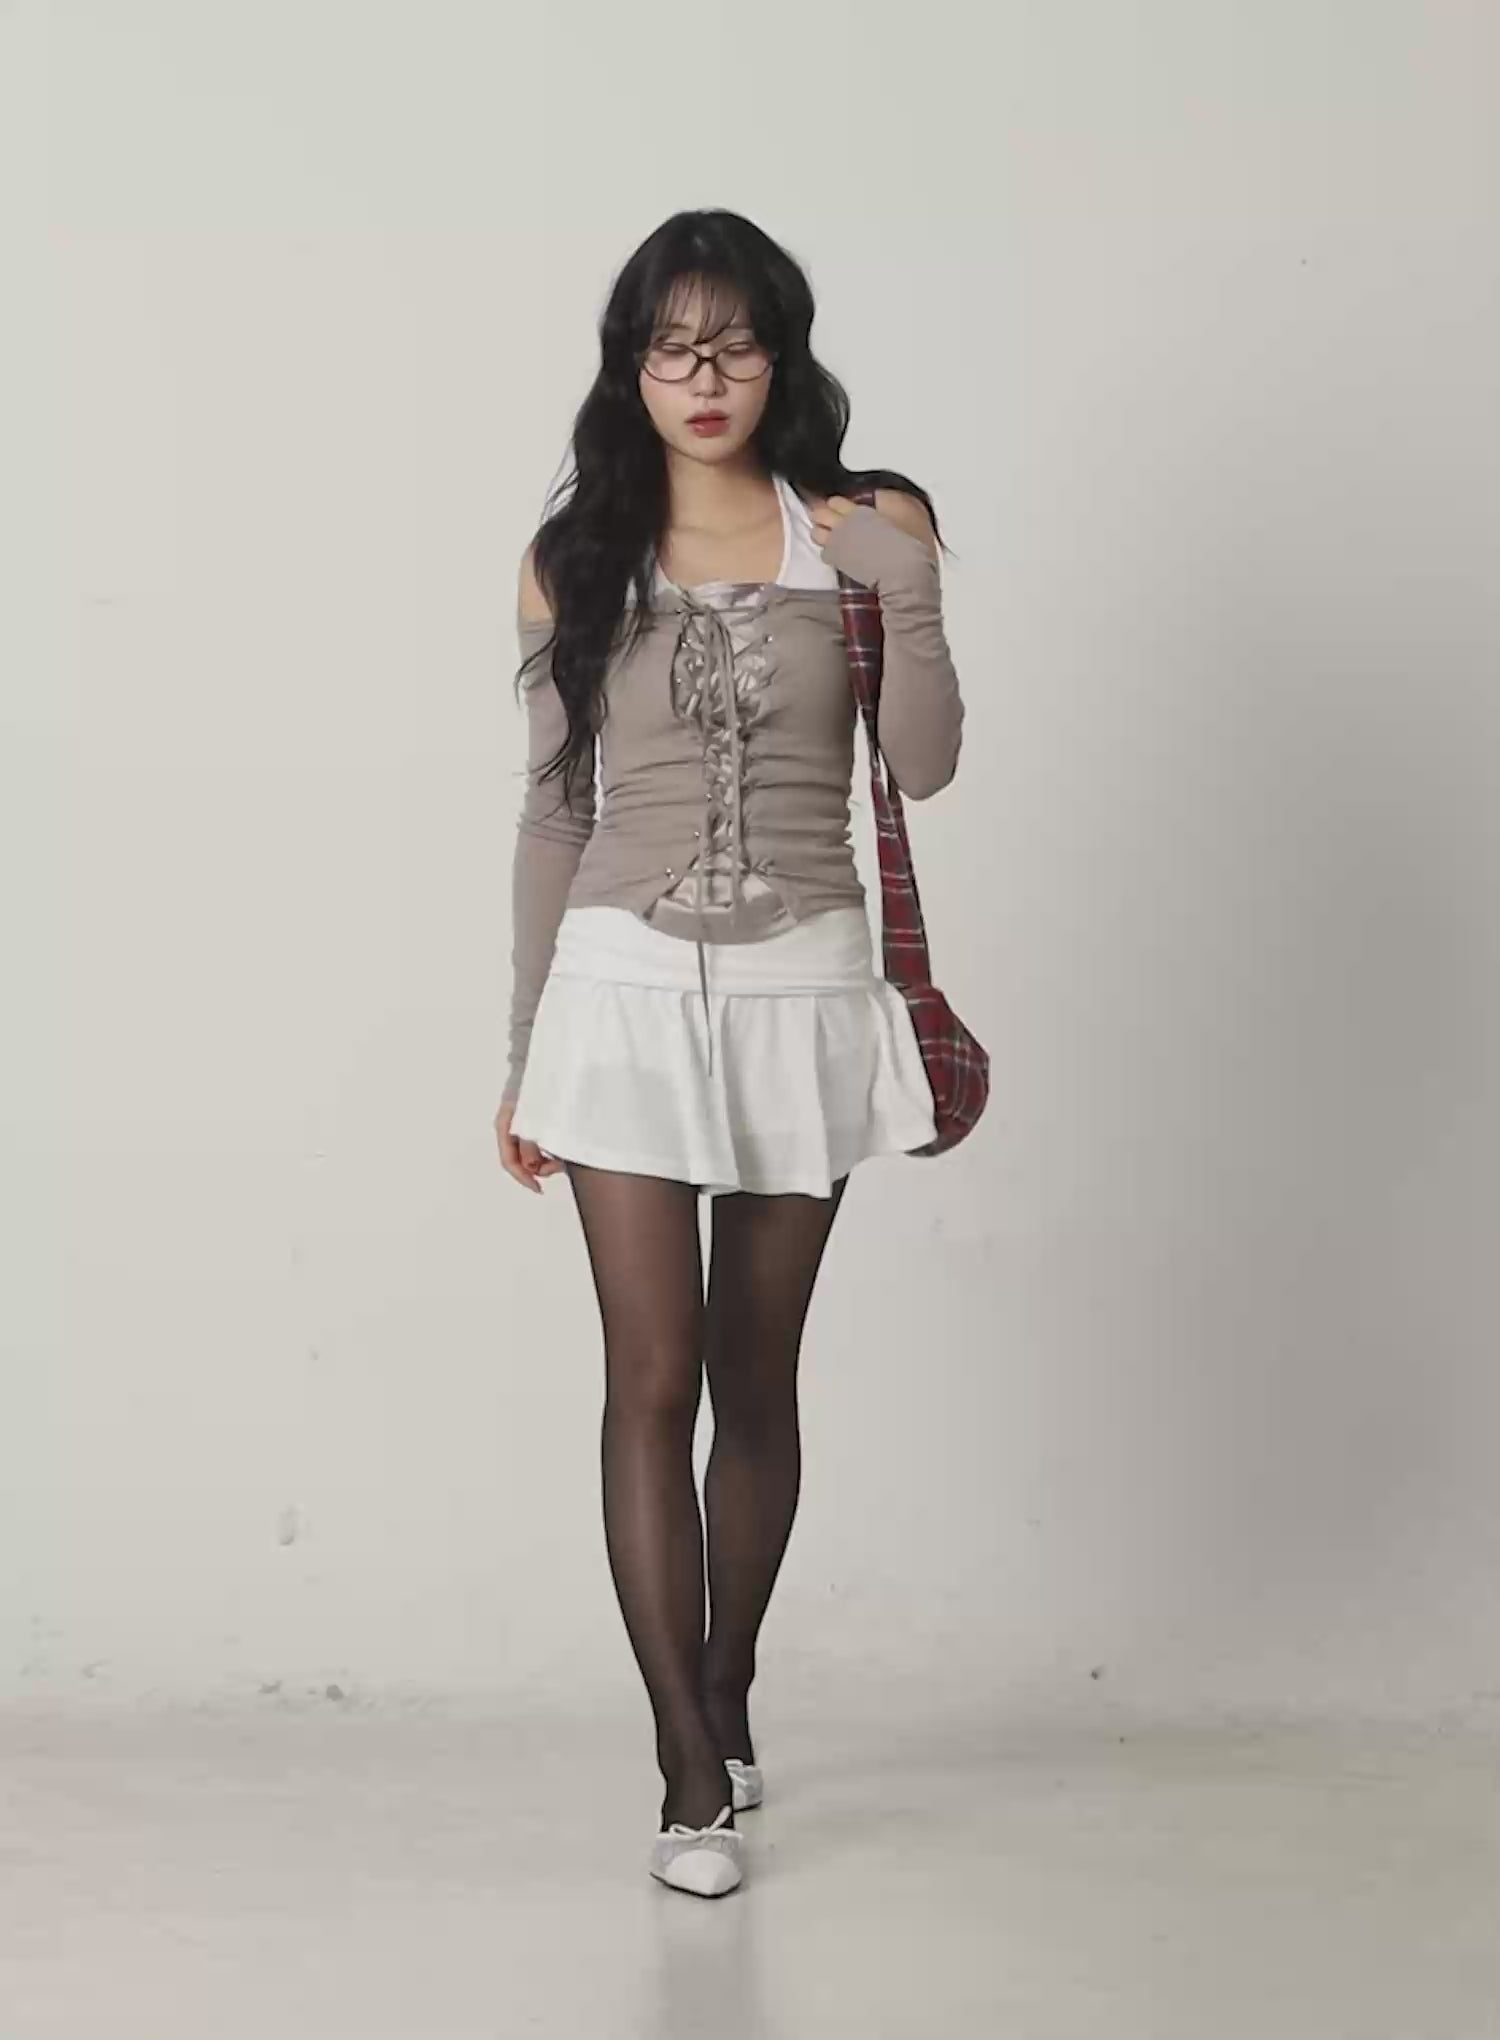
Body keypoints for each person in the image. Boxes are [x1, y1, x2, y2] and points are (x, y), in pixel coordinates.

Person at [493, 209, 966, 1897]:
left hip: (805, 988)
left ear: (784, 354)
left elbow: (927, 764)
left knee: (758, 1377)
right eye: (671, 347)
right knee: (652, 1376)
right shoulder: (578, 554)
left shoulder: (864, 525)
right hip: (618, 989)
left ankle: (731, 1677)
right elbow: (554, 814)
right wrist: (524, 1046)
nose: (704, 377)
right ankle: (687, 1770)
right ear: (631, 367)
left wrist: (908, 589)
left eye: (737, 343)